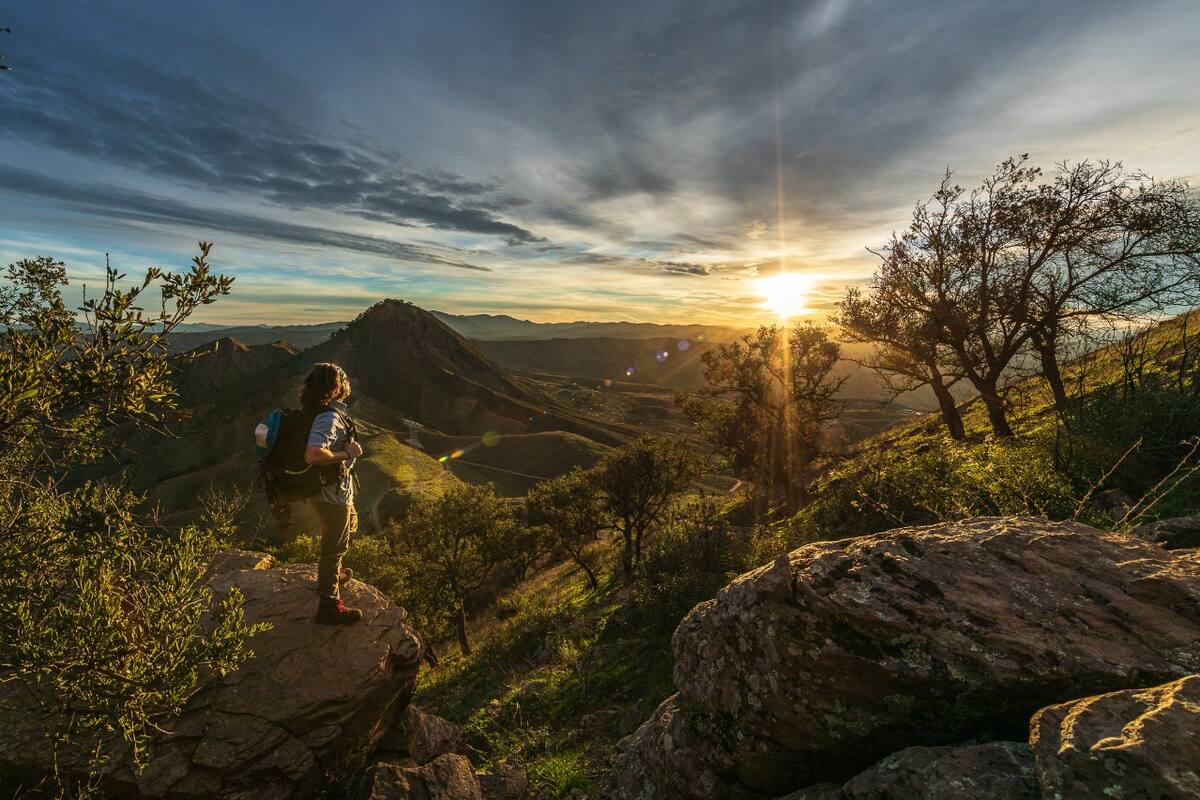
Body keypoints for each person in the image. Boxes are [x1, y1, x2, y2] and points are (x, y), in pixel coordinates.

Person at [301, 362, 365, 625]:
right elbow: (314, 454)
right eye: (344, 379)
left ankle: (332, 576)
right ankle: (328, 606)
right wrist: (346, 454)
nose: (347, 382)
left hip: (335, 491)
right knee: (335, 547)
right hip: (331, 494)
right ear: (336, 388)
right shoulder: (328, 417)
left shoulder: (319, 412)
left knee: (347, 529)